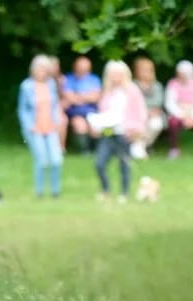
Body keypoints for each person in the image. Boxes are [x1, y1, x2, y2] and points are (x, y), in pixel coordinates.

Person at [90, 60, 147, 203]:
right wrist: (97, 125)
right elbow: (102, 111)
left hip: (125, 133)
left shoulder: (132, 91)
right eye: (112, 74)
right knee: (99, 163)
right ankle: (105, 190)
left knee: (124, 164)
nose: (115, 76)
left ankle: (124, 193)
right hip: (108, 132)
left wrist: (137, 130)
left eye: (118, 73)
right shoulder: (107, 91)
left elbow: (140, 112)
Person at [16, 55, 65, 198]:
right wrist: (28, 125)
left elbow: (55, 105)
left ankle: (55, 191)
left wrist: (57, 120)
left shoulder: (51, 84)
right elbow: (22, 109)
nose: (41, 73)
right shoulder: (26, 86)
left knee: (56, 160)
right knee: (42, 161)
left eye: (44, 70)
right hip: (35, 128)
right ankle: (40, 192)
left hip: (50, 127)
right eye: (39, 69)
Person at [165, 61, 193, 158]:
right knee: (172, 122)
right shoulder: (172, 84)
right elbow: (170, 103)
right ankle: (174, 149)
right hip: (178, 114)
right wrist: (183, 115)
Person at [59, 54, 102, 154]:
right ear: (75, 67)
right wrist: (87, 97)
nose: (82, 69)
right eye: (80, 67)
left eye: (85, 67)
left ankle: (95, 151)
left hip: (91, 111)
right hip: (75, 112)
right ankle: (85, 151)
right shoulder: (68, 79)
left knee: (95, 128)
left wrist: (77, 96)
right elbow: (68, 96)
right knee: (80, 126)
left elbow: (96, 97)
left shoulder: (94, 79)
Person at [131, 56, 165, 160]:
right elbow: (133, 102)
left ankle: (140, 146)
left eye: (147, 70)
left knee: (156, 124)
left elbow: (158, 101)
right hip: (135, 115)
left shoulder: (157, 86)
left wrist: (149, 109)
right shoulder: (131, 85)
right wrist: (145, 110)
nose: (144, 72)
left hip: (154, 114)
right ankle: (138, 148)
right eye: (142, 70)